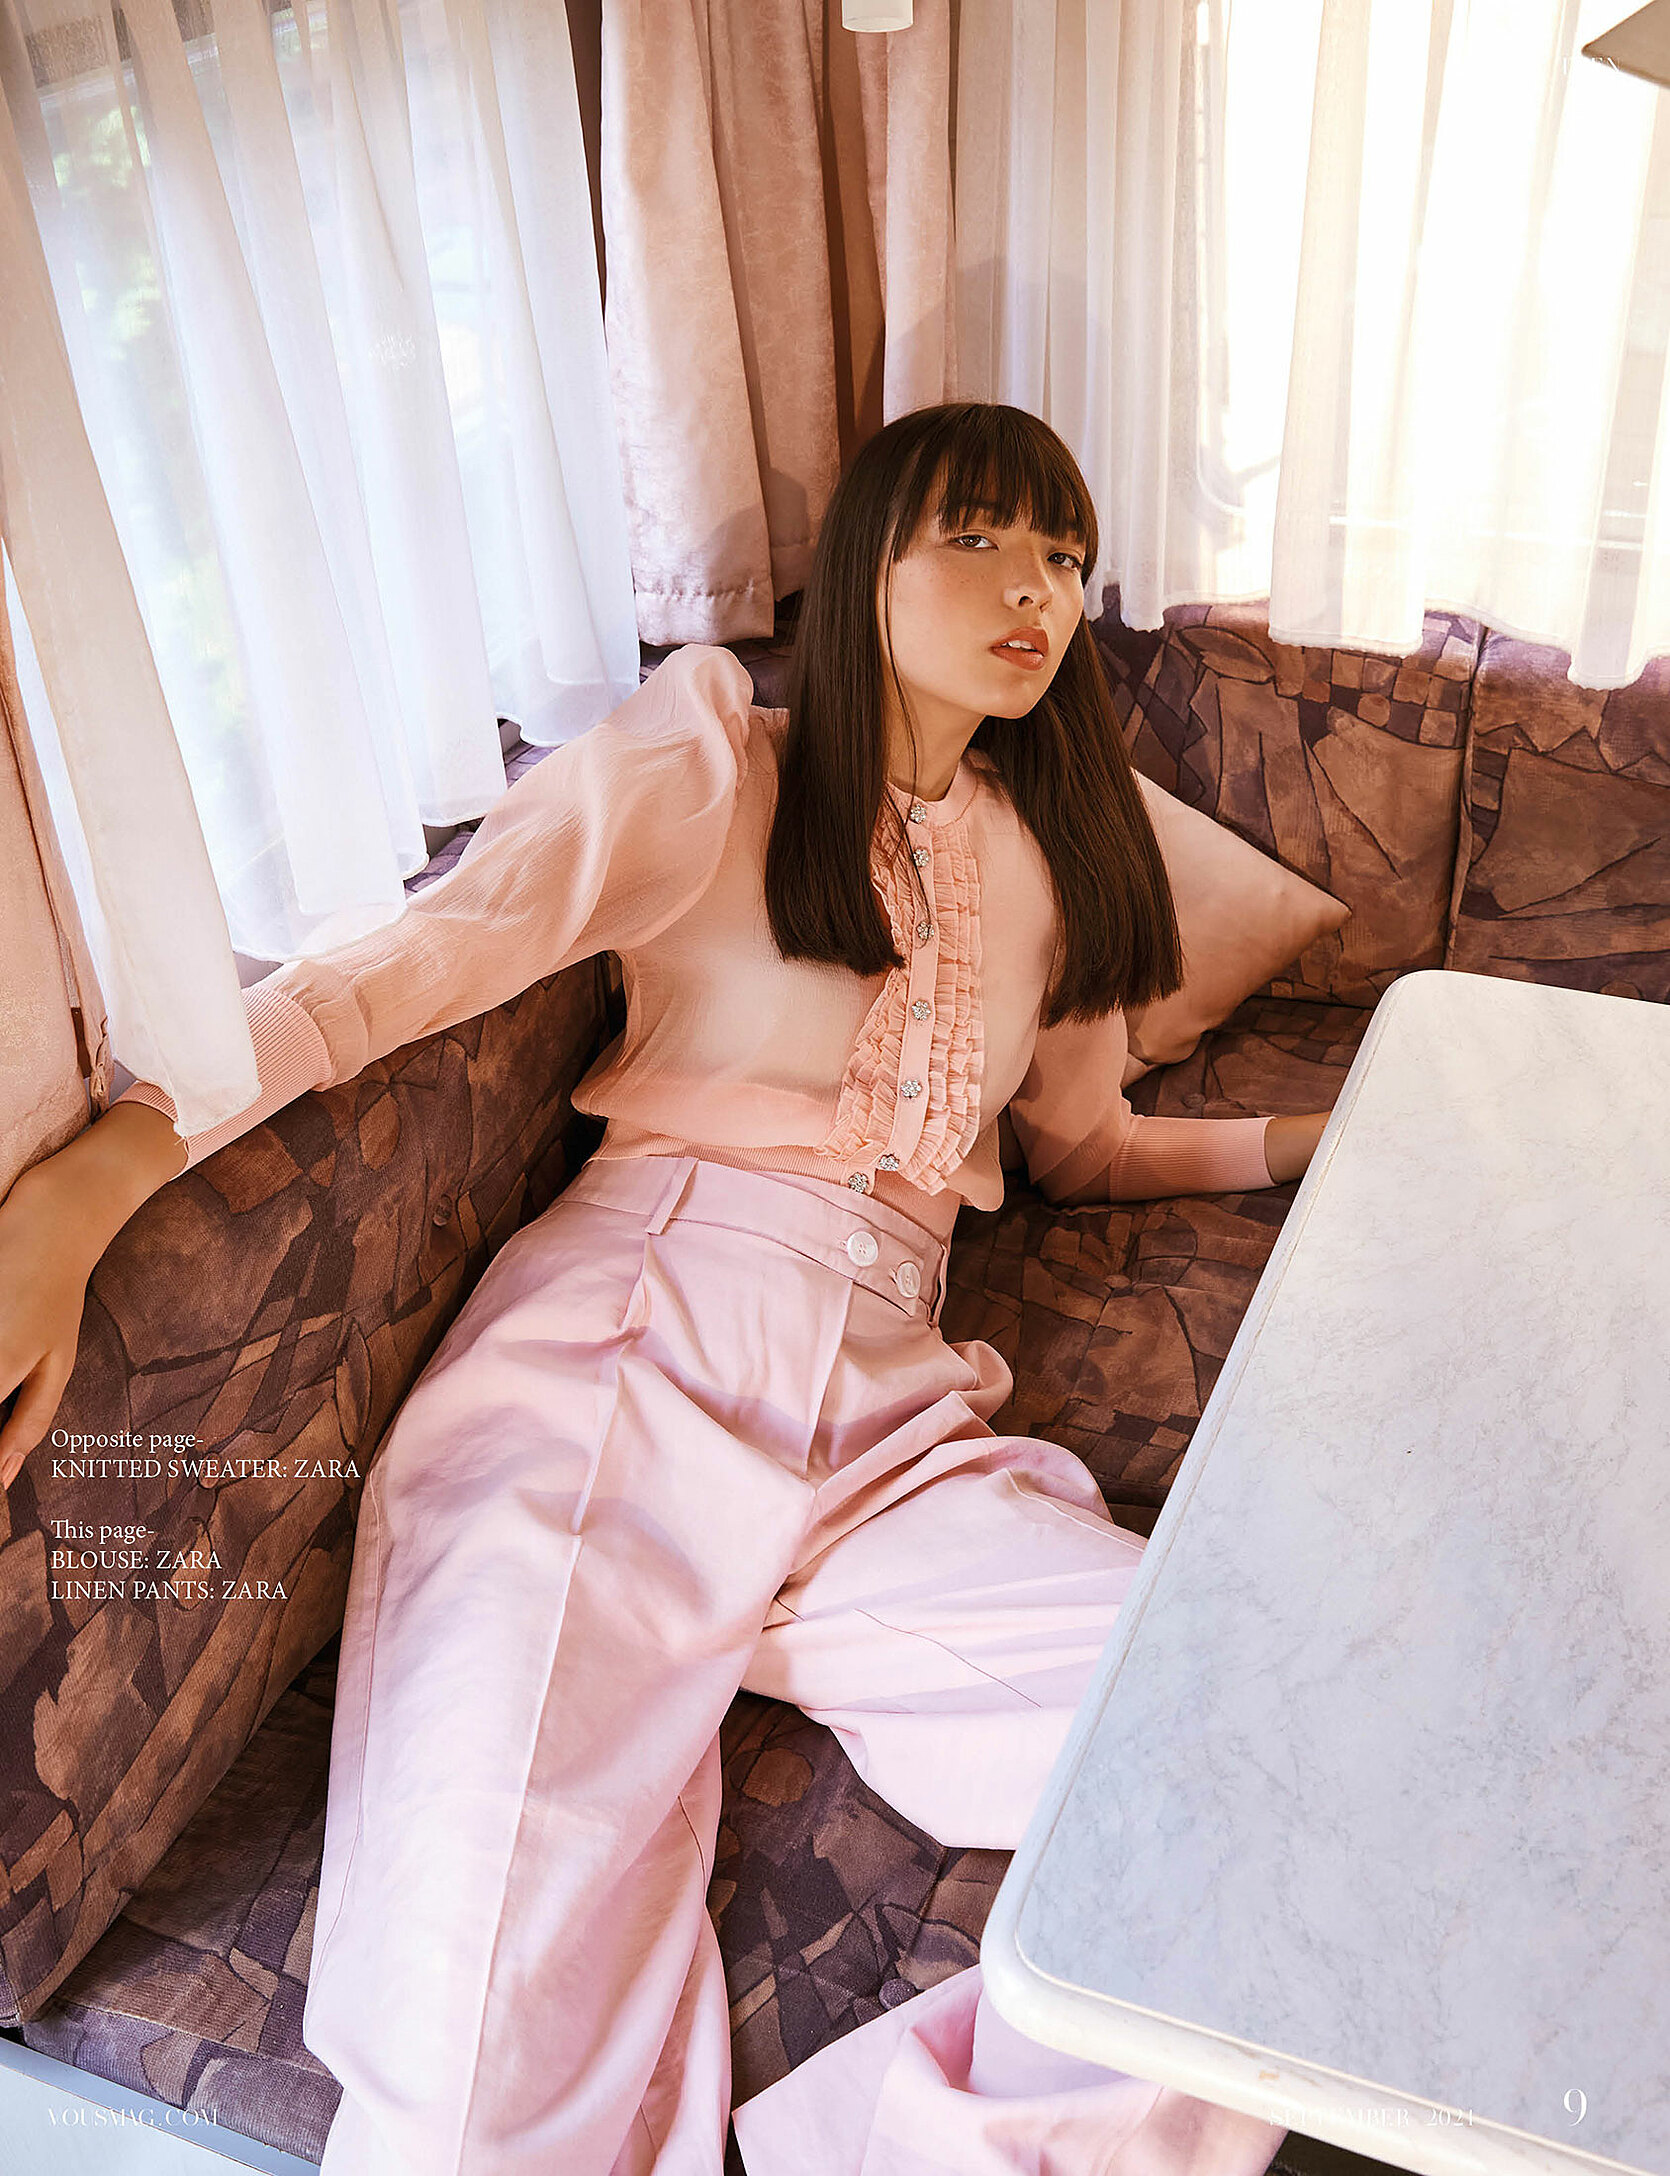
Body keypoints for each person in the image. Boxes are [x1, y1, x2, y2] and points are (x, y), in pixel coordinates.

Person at [0, 400, 1331, 2176]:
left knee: (1268, 1741)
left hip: (895, 1423)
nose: (1038, 587)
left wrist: (1321, 1137)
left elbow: (1084, 1145)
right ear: (864, 558)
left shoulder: (1052, 858)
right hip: (625, 1356)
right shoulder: (718, 763)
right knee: (473, 2028)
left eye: (1067, 556)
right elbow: (395, 970)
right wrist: (90, 1188)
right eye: (983, 536)